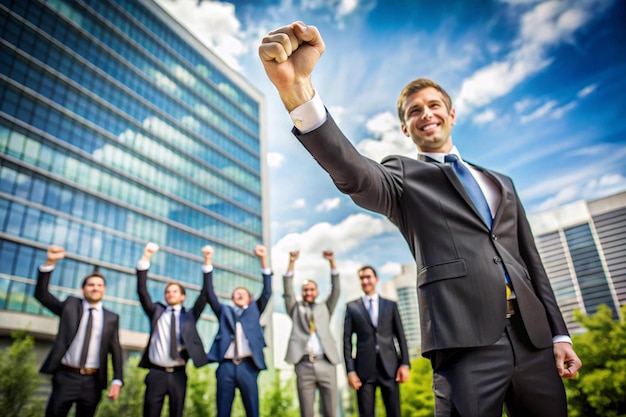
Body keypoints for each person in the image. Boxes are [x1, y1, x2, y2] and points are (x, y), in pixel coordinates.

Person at [258, 22, 582, 417]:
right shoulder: (404, 176)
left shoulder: (502, 183)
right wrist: (298, 91)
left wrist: (559, 334)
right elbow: (355, 173)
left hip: (534, 340)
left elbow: (532, 263)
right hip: (465, 344)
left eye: (433, 106)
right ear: (405, 127)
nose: (425, 115)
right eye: (414, 112)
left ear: (451, 113)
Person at [35, 244, 123, 417]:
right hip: (66, 376)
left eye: (99, 285)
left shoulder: (112, 317)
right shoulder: (70, 305)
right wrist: (50, 263)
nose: (95, 288)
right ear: (83, 289)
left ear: (104, 290)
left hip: (93, 380)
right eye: (91, 285)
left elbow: (116, 349)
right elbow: (42, 295)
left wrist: (117, 379)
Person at [136, 242, 211, 417]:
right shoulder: (156, 311)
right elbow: (142, 291)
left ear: (183, 296)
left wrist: (207, 262)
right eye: (168, 292)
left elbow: (205, 295)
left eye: (175, 291)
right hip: (156, 372)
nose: (170, 294)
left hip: (178, 374)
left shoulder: (190, 316)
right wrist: (146, 258)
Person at [205, 245, 272, 417]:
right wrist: (208, 262)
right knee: (223, 411)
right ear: (232, 298)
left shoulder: (254, 309)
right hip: (225, 366)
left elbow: (267, 291)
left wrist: (263, 260)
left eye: (243, 293)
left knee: (252, 410)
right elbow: (210, 294)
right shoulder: (225, 311)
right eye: (236, 293)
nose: (239, 294)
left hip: (248, 365)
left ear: (249, 298)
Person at [344, 265, 410, 417]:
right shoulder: (352, 307)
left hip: (390, 368)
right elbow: (346, 342)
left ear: (376, 279)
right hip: (364, 371)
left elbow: (401, 336)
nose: (365, 281)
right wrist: (351, 371)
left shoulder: (390, 305)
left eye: (368, 277)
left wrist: (405, 364)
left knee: (394, 412)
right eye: (362, 278)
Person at [283, 250, 341, 417]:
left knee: (331, 410)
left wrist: (332, 262)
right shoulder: (295, 308)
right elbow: (288, 292)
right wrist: (291, 262)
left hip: (326, 362)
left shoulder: (325, 307)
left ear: (316, 291)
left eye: (311, 289)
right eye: (305, 290)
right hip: (303, 364)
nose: (308, 292)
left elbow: (336, 290)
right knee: (306, 412)